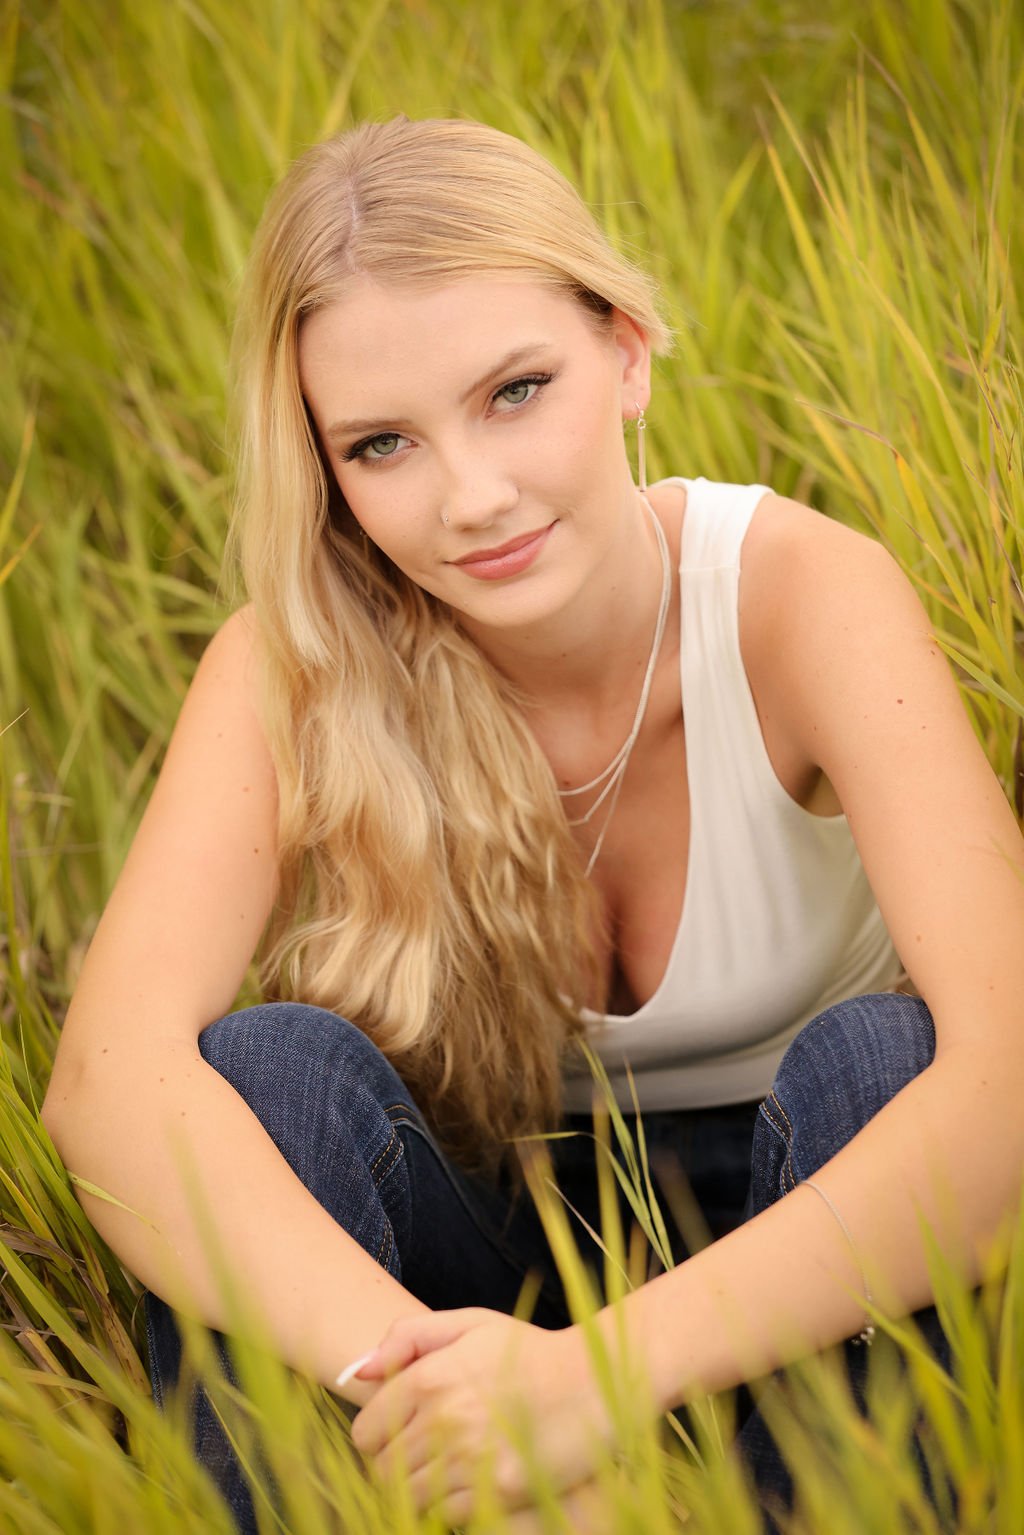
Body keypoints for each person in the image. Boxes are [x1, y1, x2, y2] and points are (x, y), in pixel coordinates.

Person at [39, 115, 1024, 1534]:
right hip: (479, 1256)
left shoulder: (802, 597)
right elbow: (107, 1084)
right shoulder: (296, 663)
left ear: (624, 351)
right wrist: (453, 1403)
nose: (472, 496)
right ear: (327, 470)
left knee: (892, 1057)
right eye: (383, 445)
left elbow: (1004, 1084)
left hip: (811, 1248)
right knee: (269, 1077)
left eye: (515, 391)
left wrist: (596, 1387)